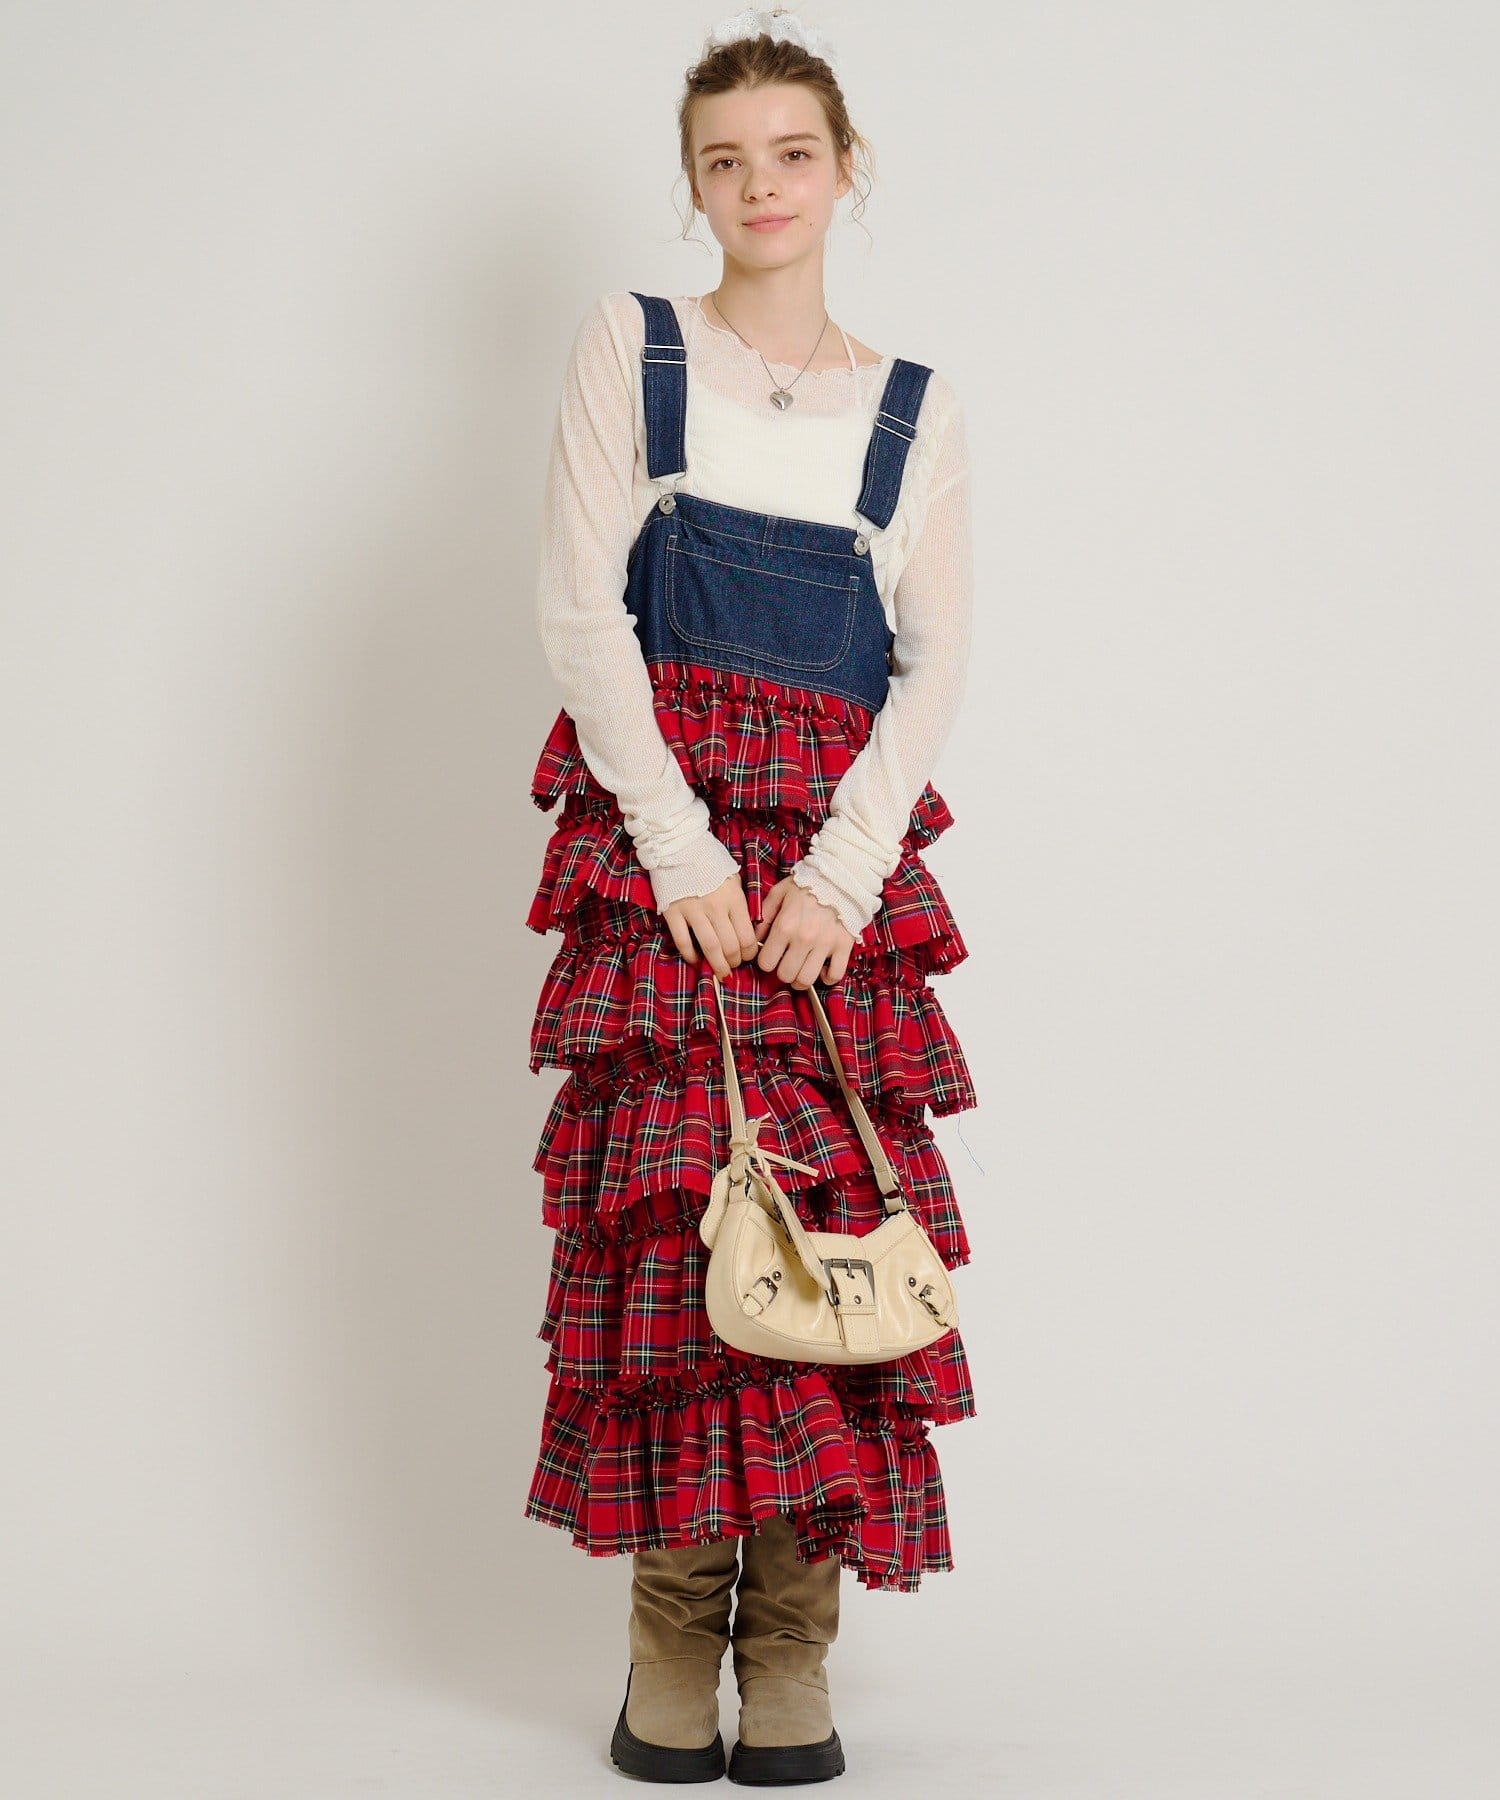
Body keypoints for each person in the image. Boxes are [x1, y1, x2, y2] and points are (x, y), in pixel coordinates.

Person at [522, 9, 978, 1784]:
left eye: (792, 152)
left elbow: (932, 665)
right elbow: (581, 612)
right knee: (679, 1249)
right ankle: (667, 1651)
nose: (760, 184)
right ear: (693, 185)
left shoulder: (913, 410)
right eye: (725, 159)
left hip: (836, 880)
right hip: (669, 863)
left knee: (830, 1241)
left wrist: (844, 874)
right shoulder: (632, 347)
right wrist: (684, 852)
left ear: (846, 170)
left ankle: (788, 1658)